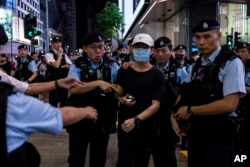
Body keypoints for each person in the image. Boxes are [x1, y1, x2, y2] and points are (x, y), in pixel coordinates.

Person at [171, 19, 246, 167]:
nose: (201, 42)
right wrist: (174, 113)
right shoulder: (198, 64)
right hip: (197, 134)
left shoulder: (231, 63)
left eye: (207, 37)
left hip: (220, 137)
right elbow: (185, 90)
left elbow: (230, 104)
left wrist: (191, 111)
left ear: (218, 35)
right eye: (197, 37)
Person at [0, 81, 98, 167]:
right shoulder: (13, 103)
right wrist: (86, 111)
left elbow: (27, 87)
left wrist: (58, 83)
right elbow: (61, 116)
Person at [66, 32, 120, 167]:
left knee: (99, 158)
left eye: (101, 47)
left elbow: (121, 88)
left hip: (103, 119)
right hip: (79, 118)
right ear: (84, 48)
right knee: (76, 158)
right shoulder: (77, 66)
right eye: (93, 47)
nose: (98, 51)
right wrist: (97, 83)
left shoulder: (112, 66)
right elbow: (73, 89)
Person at [115, 33, 164, 167]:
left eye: (145, 47)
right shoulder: (124, 70)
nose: (140, 50)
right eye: (137, 47)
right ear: (131, 49)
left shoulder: (157, 75)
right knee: (124, 161)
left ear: (151, 50)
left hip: (146, 126)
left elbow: (156, 105)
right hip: (125, 125)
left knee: (142, 161)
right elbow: (117, 91)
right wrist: (121, 98)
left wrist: (136, 120)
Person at [150, 36, 179, 167]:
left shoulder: (179, 68)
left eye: (164, 50)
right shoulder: (147, 66)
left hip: (170, 115)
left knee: (168, 152)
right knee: (154, 150)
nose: (160, 54)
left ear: (170, 50)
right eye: (157, 51)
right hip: (150, 114)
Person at [45, 36, 72, 107]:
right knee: (53, 101)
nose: (59, 44)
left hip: (63, 79)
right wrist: (60, 55)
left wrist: (65, 65)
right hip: (54, 81)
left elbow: (70, 65)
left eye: (60, 42)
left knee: (64, 100)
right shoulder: (49, 54)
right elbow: (56, 65)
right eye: (56, 42)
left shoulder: (64, 55)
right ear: (53, 44)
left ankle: (64, 116)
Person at [235, 42, 250, 167]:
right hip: (237, 107)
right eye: (238, 51)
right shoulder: (236, 66)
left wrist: (240, 87)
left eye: (243, 52)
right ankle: (238, 161)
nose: (240, 54)